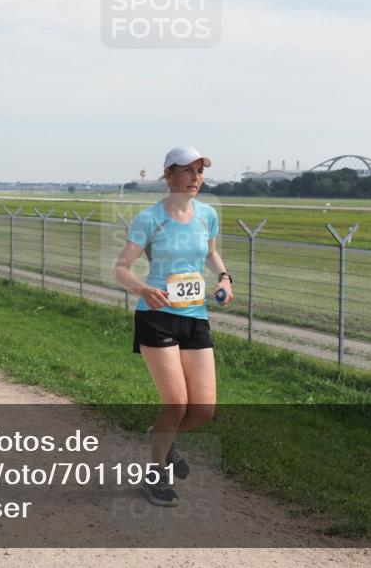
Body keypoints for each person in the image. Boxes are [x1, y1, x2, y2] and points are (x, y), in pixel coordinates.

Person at [113, 146, 233, 507]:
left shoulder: (208, 215)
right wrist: (143, 288)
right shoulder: (150, 219)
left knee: (203, 410)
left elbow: (210, 253)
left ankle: (160, 437)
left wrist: (224, 278)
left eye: (200, 171)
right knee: (177, 402)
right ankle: (154, 474)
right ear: (168, 176)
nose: (196, 178)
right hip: (156, 316)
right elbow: (121, 267)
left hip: (195, 316)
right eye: (187, 170)